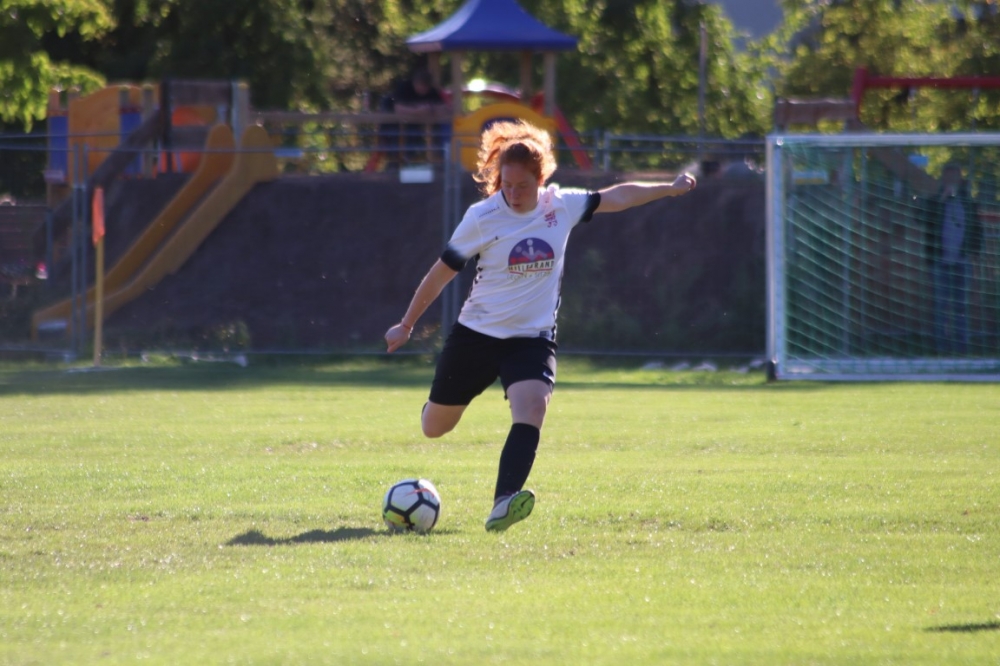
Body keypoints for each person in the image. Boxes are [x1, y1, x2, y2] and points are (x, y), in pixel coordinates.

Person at [384, 120, 696, 532]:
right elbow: (442, 272)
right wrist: (406, 324)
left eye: (522, 186)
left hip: (531, 339)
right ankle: (434, 406)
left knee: (533, 407)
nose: (513, 194)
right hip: (476, 336)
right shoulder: (482, 216)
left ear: (541, 180)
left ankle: (503, 502)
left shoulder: (560, 206)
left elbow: (616, 196)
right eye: (506, 185)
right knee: (434, 428)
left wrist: (668, 188)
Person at [924, 162, 982, 355]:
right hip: (940, 262)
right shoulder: (934, 201)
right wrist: (942, 199)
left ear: (960, 179)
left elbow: (977, 230)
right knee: (940, 305)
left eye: (954, 177)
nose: (951, 181)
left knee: (961, 306)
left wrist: (974, 255)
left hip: (961, 262)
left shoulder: (968, 203)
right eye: (948, 177)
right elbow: (923, 219)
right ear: (943, 179)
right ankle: (940, 348)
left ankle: (962, 348)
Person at [378, 68, 449, 165]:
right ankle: (395, 162)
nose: (423, 90)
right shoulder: (404, 88)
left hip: (417, 127)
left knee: (419, 138)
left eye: (425, 87)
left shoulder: (432, 91)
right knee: (398, 140)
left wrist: (431, 109)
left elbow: (444, 108)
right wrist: (417, 111)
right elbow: (398, 109)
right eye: (421, 86)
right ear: (415, 83)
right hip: (395, 125)